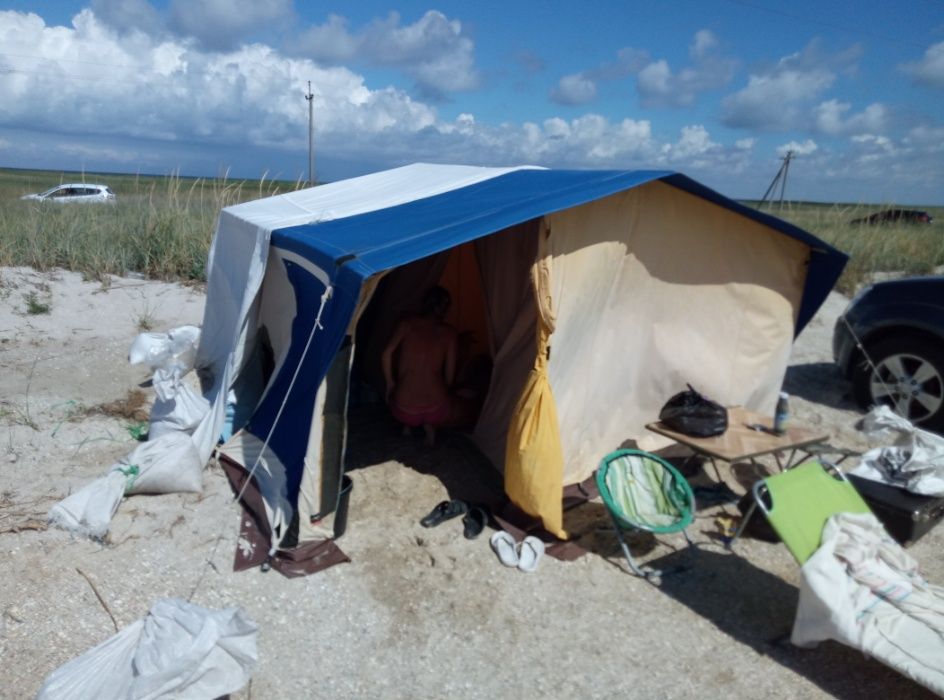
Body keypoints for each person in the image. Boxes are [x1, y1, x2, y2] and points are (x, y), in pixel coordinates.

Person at [382, 286, 458, 446]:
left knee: (400, 404)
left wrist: (390, 383)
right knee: (447, 404)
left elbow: (387, 353)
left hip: (404, 409)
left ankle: (407, 426)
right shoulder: (450, 333)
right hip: (436, 409)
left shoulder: (407, 324)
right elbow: (450, 377)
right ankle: (429, 428)